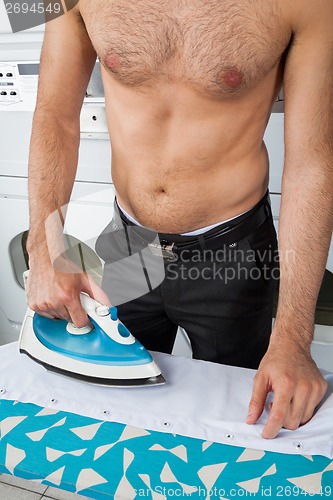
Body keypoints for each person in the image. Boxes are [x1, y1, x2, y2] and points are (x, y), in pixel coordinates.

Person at [26, 0, 333, 440]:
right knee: (114, 406)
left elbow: (311, 163)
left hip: (233, 255)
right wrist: (45, 251)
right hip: (129, 246)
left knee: (243, 418)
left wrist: (292, 338)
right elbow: (54, 116)